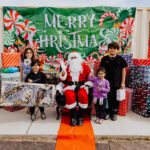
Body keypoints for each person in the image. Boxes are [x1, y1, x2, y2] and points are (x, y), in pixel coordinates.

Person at [57, 51, 91, 126]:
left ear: (78, 58)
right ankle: (73, 116)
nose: (73, 59)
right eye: (71, 58)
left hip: (81, 86)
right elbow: (62, 79)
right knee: (69, 96)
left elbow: (89, 77)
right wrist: (63, 72)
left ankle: (80, 116)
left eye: (75, 57)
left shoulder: (84, 66)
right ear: (69, 59)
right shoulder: (66, 66)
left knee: (83, 96)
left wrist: (88, 84)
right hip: (69, 86)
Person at [100, 42, 128, 121]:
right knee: (107, 98)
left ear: (117, 50)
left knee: (116, 99)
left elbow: (124, 70)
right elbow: (101, 71)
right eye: (111, 48)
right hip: (106, 83)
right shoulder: (104, 59)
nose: (112, 50)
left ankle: (114, 113)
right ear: (108, 49)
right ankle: (107, 113)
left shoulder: (120, 59)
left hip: (117, 83)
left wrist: (123, 82)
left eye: (114, 48)